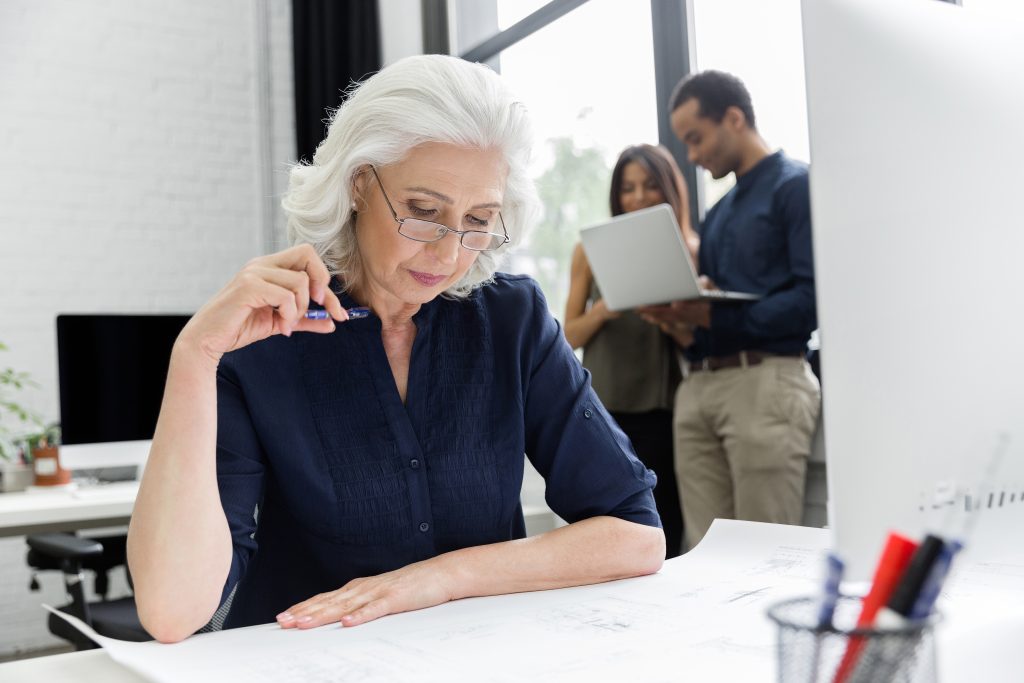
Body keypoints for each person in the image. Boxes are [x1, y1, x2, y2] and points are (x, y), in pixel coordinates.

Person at [126, 54, 665, 643]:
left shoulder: (511, 318)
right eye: (424, 213)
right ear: (359, 184)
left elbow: (635, 534)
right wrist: (194, 355)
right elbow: (173, 612)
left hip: (478, 659)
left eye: (480, 219)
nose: (450, 252)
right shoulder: (264, 338)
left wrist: (442, 577)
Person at [640, 70, 820, 549]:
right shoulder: (718, 215)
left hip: (766, 384)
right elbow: (711, 318)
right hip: (700, 387)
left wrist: (710, 316)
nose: (693, 156)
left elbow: (812, 301)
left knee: (769, 550)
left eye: (696, 139)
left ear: (734, 118)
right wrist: (679, 319)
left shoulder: (796, 187)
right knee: (703, 551)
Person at [563, 144, 696, 558]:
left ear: (670, 189)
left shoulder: (690, 247)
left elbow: (697, 340)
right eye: (628, 188)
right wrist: (605, 310)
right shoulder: (590, 250)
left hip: (664, 406)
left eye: (650, 186)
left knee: (665, 521)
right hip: (605, 406)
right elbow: (569, 335)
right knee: (608, 520)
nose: (638, 197)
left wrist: (668, 317)